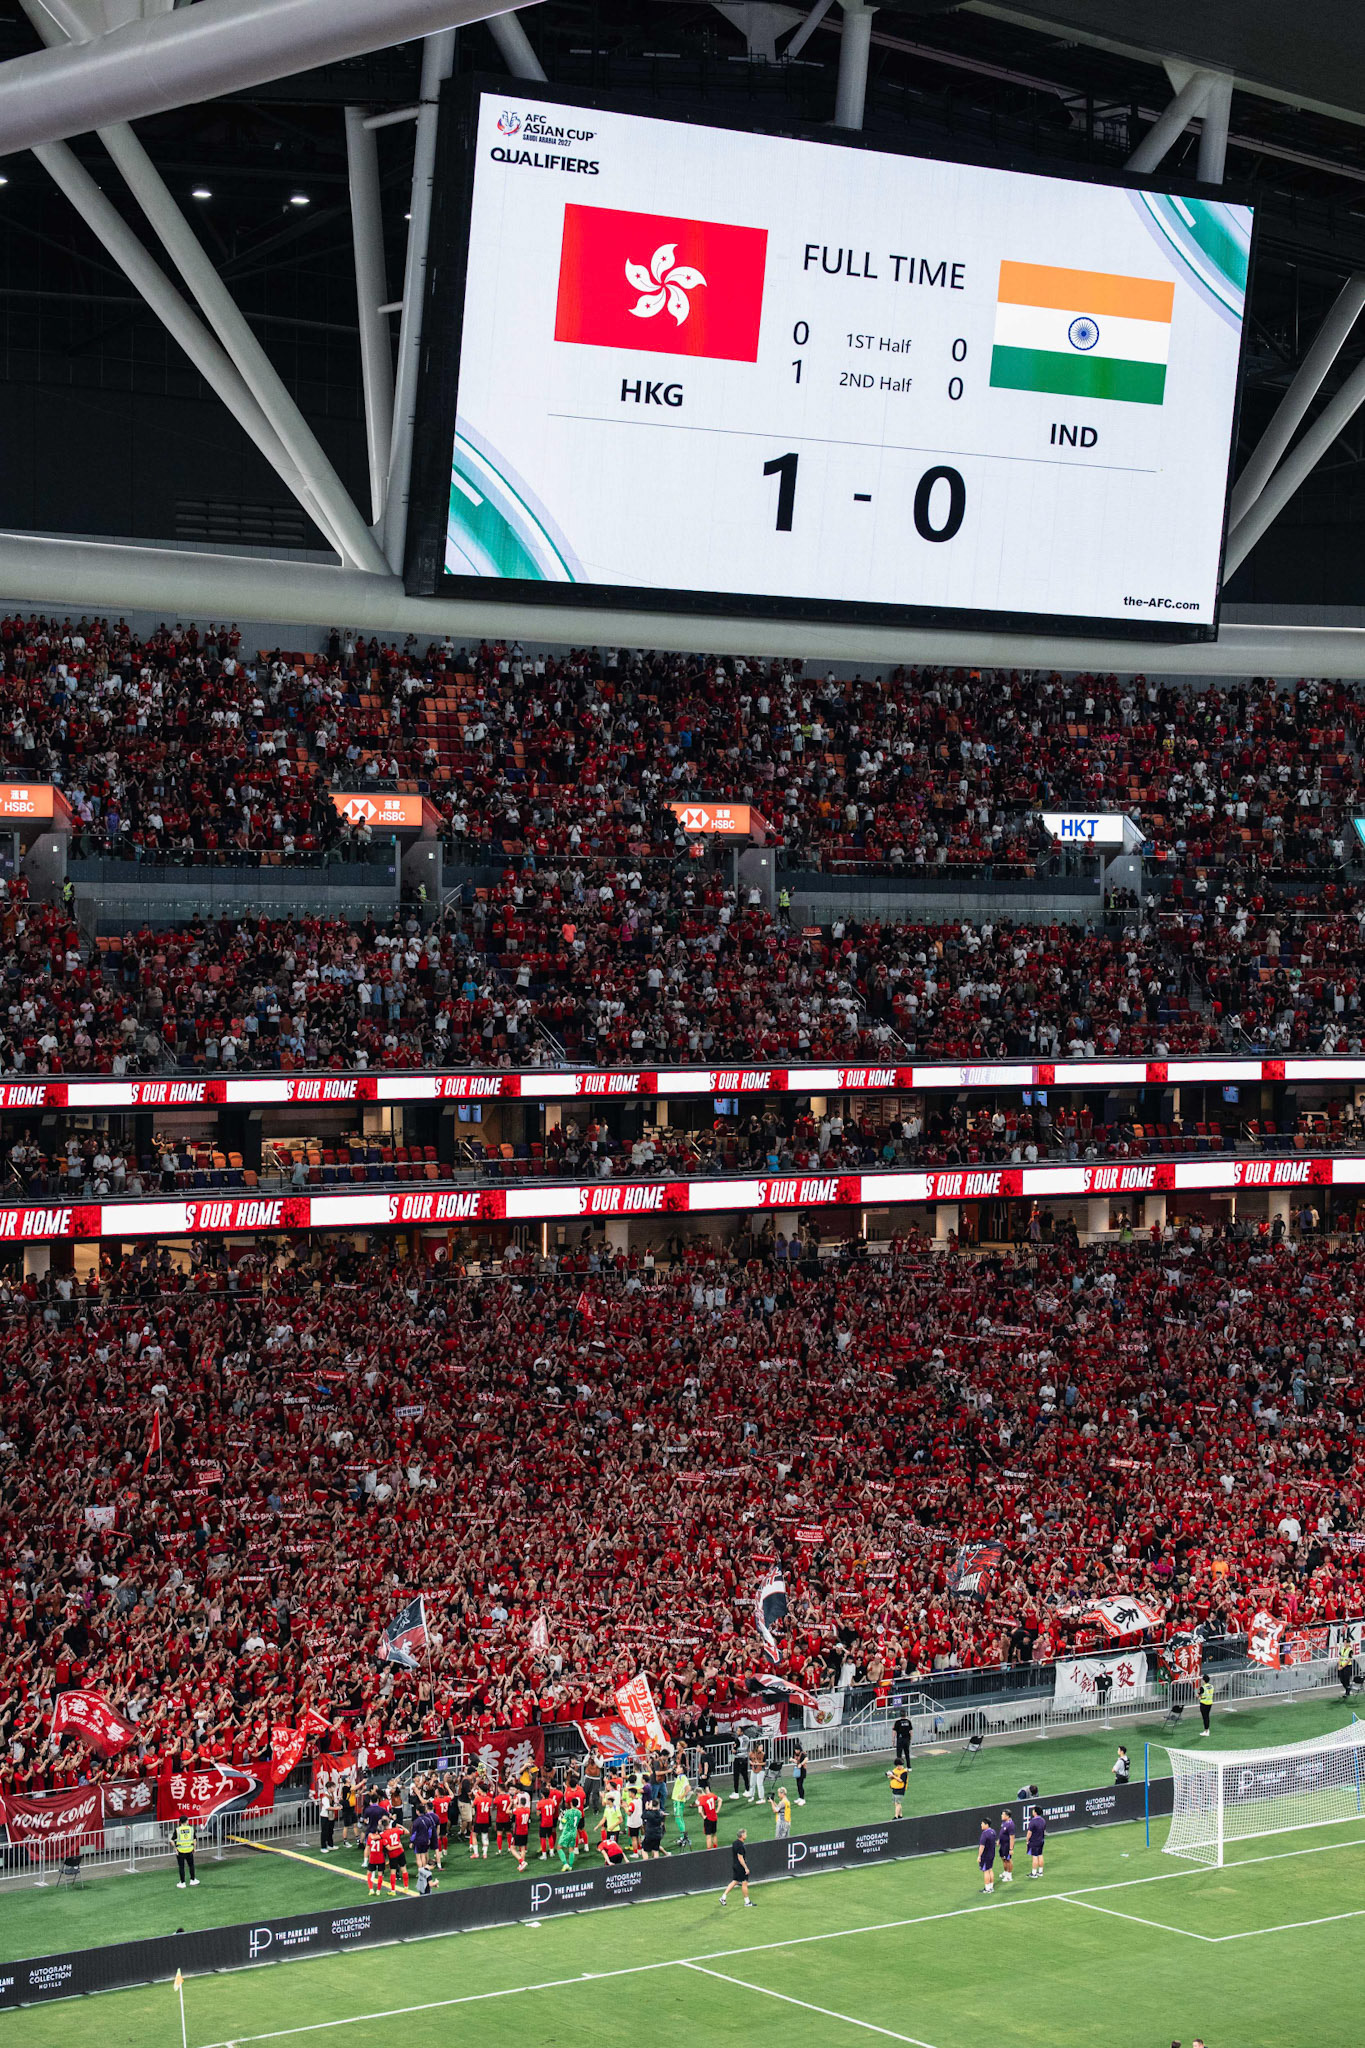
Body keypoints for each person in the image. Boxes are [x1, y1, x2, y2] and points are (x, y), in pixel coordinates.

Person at [719, 1827, 753, 1906]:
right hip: (740, 1866)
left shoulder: (735, 1843)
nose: (746, 1835)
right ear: (742, 1835)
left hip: (735, 1865)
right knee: (744, 1883)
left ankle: (723, 1897)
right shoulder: (740, 1845)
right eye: (745, 1834)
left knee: (735, 1881)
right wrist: (746, 1868)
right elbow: (740, 1858)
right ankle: (747, 1902)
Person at [410, 1802, 438, 1889]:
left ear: (417, 1811)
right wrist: (429, 1838)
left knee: (418, 1857)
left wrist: (411, 1841)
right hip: (426, 1840)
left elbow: (414, 1833)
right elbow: (430, 1831)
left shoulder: (416, 1822)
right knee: (423, 1856)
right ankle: (425, 1871)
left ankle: (420, 1873)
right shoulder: (428, 1820)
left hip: (418, 1841)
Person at [381, 1814, 409, 1894]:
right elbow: (407, 1832)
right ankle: (406, 1887)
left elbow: (389, 1848)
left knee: (393, 1872)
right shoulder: (396, 1830)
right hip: (400, 1852)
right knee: (404, 1869)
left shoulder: (383, 1835)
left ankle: (393, 1890)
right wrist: (401, 1826)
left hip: (393, 1855)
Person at [556, 1794, 582, 1871]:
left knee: (559, 1847)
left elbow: (564, 1822)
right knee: (571, 1849)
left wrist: (561, 1818)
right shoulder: (579, 1813)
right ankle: (570, 1866)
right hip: (574, 1832)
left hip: (567, 1832)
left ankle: (565, 1864)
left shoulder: (568, 1812)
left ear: (571, 1803)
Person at [471, 1780, 493, 1858]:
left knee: (474, 1835)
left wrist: (476, 1797)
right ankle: (485, 1854)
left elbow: (472, 1806)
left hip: (478, 1820)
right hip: (486, 1820)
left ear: (481, 1790)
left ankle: (476, 1853)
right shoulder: (489, 1799)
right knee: (485, 1836)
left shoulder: (478, 1799)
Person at [671, 1765, 692, 1850]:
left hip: (678, 1801)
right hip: (678, 1801)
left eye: (678, 1767)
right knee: (680, 1819)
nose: (677, 1768)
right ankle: (683, 1837)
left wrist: (683, 1795)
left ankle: (683, 1837)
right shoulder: (680, 1777)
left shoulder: (682, 1777)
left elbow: (688, 1787)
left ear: (682, 1770)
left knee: (678, 1819)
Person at [174, 1817, 198, 1889]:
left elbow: (172, 1840)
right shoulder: (191, 1829)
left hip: (180, 1851)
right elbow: (194, 1839)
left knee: (181, 1867)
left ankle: (182, 1882)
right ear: (187, 1821)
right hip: (189, 1850)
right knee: (191, 1865)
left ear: (180, 1822)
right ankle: (192, 1880)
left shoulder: (178, 1830)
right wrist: (194, 1848)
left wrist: (175, 1849)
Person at [536, 1785, 558, 1861]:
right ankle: (552, 1852)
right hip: (550, 1821)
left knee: (543, 1838)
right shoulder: (552, 1801)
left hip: (544, 1822)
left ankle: (544, 1854)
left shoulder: (540, 1803)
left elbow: (538, 1814)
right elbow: (553, 1811)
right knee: (550, 1835)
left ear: (542, 1794)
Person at [511, 1791, 531, 1870]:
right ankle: (521, 1865)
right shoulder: (528, 1810)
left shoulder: (518, 1811)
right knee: (523, 1848)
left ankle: (521, 1861)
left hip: (518, 1831)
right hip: (525, 1831)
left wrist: (512, 1803)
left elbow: (508, 1811)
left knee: (512, 1848)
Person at [364, 1823, 386, 1896]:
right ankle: (378, 1890)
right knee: (380, 1874)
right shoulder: (383, 1838)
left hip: (372, 1858)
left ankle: (371, 1889)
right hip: (381, 1858)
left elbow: (368, 1847)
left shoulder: (370, 1837)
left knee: (369, 1873)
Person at [978, 1817, 998, 1895]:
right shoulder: (993, 1831)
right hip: (992, 1854)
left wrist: (979, 1856)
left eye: (982, 1824)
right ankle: (991, 1887)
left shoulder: (984, 1833)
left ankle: (987, 1889)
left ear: (986, 1824)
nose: (981, 1825)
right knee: (990, 1869)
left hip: (986, 1855)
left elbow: (982, 1846)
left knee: (986, 1871)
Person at [698, 1783, 721, 1849]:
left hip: (708, 1819)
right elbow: (720, 1800)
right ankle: (715, 1848)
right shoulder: (711, 1795)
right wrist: (717, 1810)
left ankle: (709, 1851)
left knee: (708, 1836)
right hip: (714, 1817)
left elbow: (699, 1811)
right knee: (714, 1834)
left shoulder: (702, 1799)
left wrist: (703, 1816)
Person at [1026, 1805, 1046, 1879]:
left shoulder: (1033, 1821)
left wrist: (1027, 1840)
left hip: (1034, 1841)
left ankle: (1034, 1873)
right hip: (1041, 1840)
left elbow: (1029, 1833)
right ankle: (1040, 1872)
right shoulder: (1043, 1820)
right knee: (1040, 1855)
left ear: (1035, 1812)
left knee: (1034, 1856)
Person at [319, 1776, 338, 1854]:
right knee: (324, 1832)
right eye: (333, 1787)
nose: (334, 1789)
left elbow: (333, 1803)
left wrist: (337, 1804)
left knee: (330, 1831)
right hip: (325, 1816)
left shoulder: (331, 1795)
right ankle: (323, 1847)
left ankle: (330, 1845)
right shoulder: (325, 1796)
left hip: (330, 1816)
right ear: (329, 1788)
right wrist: (336, 1808)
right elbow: (327, 1807)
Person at [997, 1809, 1015, 1884]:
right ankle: (1005, 1872)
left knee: (1008, 1859)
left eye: (1003, 1814)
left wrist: (1011, 1848)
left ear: (1007, 1816)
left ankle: (1009, 1876)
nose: (1001, 1815)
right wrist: (999, 1840)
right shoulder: (1004, 1822)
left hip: (1007, 1845)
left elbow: (1012, 1837)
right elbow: (1002, 1832)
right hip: (1002, 1844)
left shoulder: (1011, 1824)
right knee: (1003, 1858)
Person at [731, 1735, 750, 1802]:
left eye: (738, 1730)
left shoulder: (738, 1739)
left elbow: (734, 1750)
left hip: (738, 1759)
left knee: (736, 1776)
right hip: (745, 1758)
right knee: (745, 1776)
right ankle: (747, 1790)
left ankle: (736, 1793)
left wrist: (733, 1749)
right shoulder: (747, 1738)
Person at [749, 1739, 767, 1805]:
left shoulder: (763, 1754)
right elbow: (750, 1760)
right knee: (752, 1783)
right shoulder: (752, 1753)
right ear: (757, 1747)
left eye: (762, 1747)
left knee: (759, 1784)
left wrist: (758, 1764)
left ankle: (761, 1798)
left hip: (761, 1770)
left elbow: (764, 1763)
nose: (762, 1748)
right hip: (753, 1769)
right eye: (760, 1747)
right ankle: (751, 1796)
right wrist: (751, 1763)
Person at [791, 1742, 808, 1807]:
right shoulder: (795, 1754)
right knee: (798, 1785)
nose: (796, 1751)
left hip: (802, 1771)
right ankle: (800, 1797)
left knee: (800, 1784)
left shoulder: (802, 1754)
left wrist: (801, 1764)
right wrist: (792, 1760)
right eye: (795, 1749)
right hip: (797, 1771)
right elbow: (795, 1760)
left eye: (797, 1750)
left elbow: (806, 1759)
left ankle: (803, 1799)